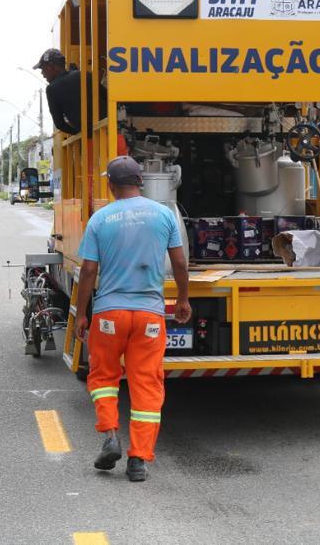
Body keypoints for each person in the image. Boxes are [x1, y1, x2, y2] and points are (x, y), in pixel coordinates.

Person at [74, 156, 191, 482]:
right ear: (140, 182)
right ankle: (138, 460)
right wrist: (182, 299)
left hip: (110, 314)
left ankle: (111, 435)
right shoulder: (164, 214)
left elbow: (88, 271)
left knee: (104, 379)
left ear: (111, 185)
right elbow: (180, 264)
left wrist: (83, 314)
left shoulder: (100, 219)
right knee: (146, 387)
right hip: (149, 317)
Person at [35, 48, 82, 134]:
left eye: (43, 69)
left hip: (89, 138)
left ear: (51, 66)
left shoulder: (51, 89)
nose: (42, 73)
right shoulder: (81, 75)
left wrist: (79, 134)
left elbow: (59, 124)